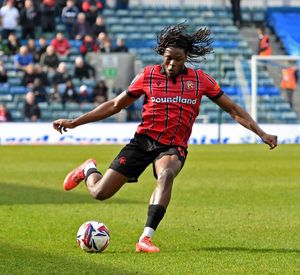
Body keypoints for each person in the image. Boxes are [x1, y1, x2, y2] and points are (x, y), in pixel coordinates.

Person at [53, 23, 278, 253]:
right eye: (168, 58)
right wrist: (75, 122)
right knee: (99, 193)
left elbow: (233, 109)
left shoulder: (200, 81)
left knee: (167, 173)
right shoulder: (148, 76)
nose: (171, 64)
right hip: (143, 141)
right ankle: (89, 168)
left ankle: (145, 238)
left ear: (186, 57)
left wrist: (261, 133)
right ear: (163, 54)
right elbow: (114, 105)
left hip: (173, 146)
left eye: (178, 59)